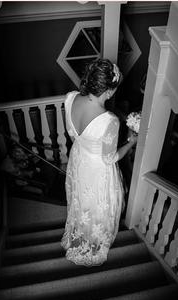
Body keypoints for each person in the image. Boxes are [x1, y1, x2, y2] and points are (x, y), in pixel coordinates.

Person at [61, 59, 137, 266]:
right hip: (96, 169)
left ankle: (80, 232)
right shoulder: (109, 120)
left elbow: (72, 134)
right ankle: (92, 239)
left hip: (79, 159)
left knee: (81, 199)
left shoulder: (70, 99)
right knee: (96, 204)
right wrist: (131, 142)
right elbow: (110, 158)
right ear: (110, 91)